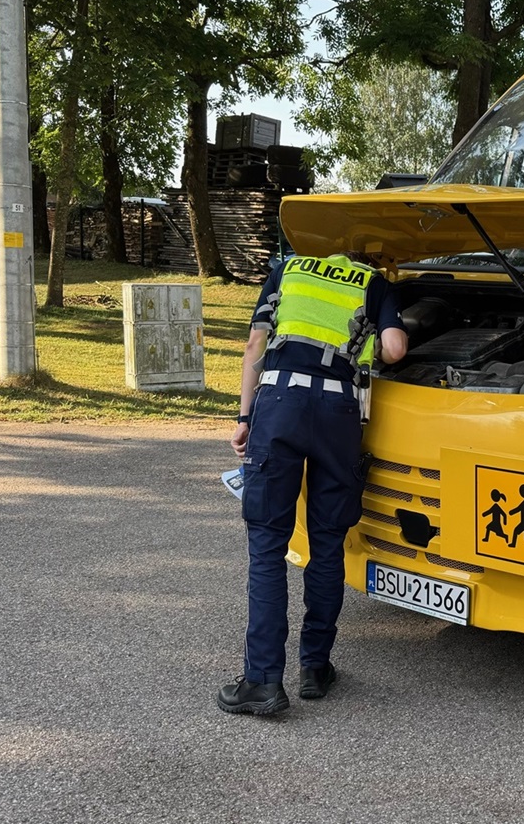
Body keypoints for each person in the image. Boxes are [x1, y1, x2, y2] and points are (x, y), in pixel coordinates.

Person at [217, 251, 408, 715]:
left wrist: (244, 418)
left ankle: (262, 681)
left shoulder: (288, 269)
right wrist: (369, 346)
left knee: (267, 544)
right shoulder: (373, 282)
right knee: (327, 543)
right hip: (339, 413)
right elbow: (396, 349)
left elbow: (254, 344)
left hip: (279, 402)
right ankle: (314, 668)